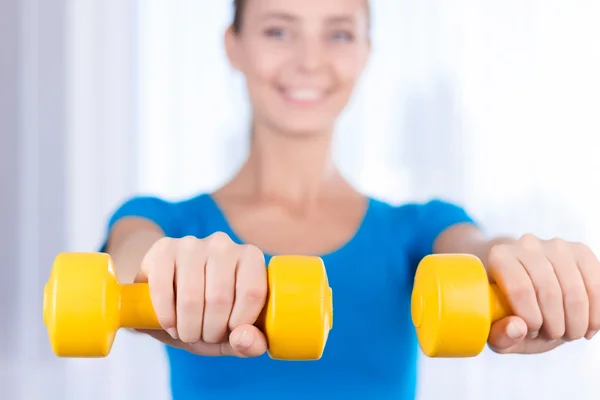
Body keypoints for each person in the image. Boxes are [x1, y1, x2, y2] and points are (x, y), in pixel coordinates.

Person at [101, 0, 600, 398]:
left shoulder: (421, 229)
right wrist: (162, 270)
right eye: (278, 30)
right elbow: (128, 260)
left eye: (338, 34)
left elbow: (481, 252)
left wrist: (527, 270)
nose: (310, 61)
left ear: (365, 51)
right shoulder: (164, 221)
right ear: (234, 46)